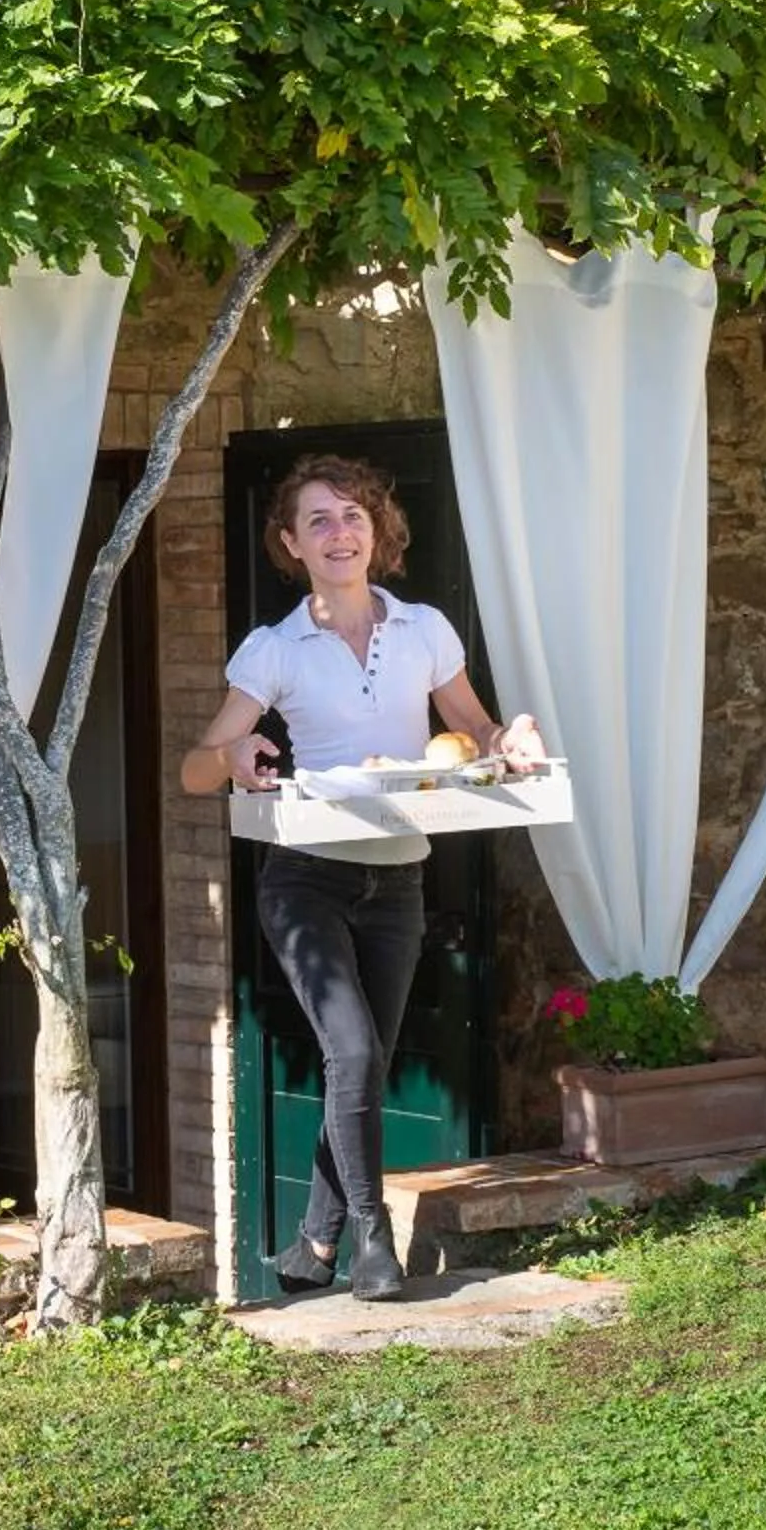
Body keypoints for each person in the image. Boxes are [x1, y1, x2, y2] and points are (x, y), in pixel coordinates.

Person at [180, 454, 544, 1302]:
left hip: (399, 879)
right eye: (319, 521)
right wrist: (232, 756)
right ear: (290, 544)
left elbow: (474, 729)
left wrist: (509, 740)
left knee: (363, 1067)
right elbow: (193, 769)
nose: (339, 533)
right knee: (349, 1051)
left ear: (376, 532)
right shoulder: (275, 650)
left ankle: (311, 1241)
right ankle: (371, 1242)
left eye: (353, 516)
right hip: (306, 881)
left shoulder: (423, 631)